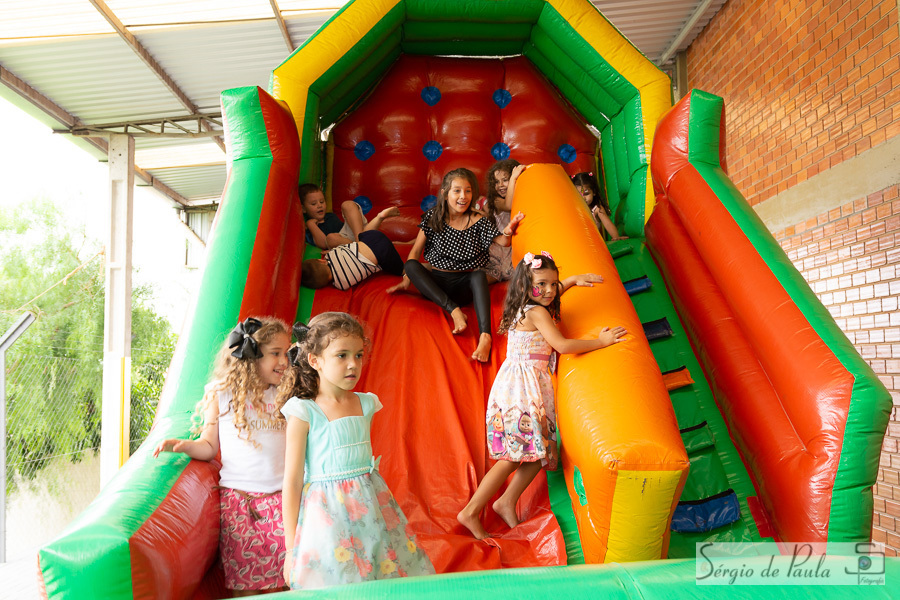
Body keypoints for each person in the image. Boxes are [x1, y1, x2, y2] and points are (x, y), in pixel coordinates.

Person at [457, 252, 627, 539]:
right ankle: (471, 511)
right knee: (513, 456)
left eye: (553, 284)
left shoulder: (529, 303)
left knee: (540, 451)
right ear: (527, 286)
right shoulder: (536, 312)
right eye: (542, 285)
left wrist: (571, 281)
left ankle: (506, 501)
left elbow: (549, 289)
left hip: (525, 385)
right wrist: (601, 341)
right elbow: (560, 344)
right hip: (521, 389)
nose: (549, 291)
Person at [279, 312, 435, 589]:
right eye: (342, 355)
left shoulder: (366, 404)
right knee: (340, 581)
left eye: (359, 355)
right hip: (327, 517)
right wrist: (291, 549)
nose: (353, 364)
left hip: (370, 511)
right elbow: (291, 482)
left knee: (381, 574)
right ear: (315, 361)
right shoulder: (304, 412)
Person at [154, 317, 292, 596]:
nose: (285, 361)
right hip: (240, 505)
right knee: (244, 585)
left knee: (283, 583)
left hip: (282, 501)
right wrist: (183, 445)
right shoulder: (223, 395)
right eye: (275, 353)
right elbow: (208, 445)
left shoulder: (287, 395)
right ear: (252, 356)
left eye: (286, 352)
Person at [386, 168, 524, 362]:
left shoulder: (478, 220)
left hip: (463, 285)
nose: (463, 196)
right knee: (410, 265)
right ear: (445, 193)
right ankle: (454, 310)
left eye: (468, 191)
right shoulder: (433, 217)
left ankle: (486, 336)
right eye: (457, 190)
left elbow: (503, 242)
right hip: (437, 285)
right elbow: (416, 252)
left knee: (478, 275)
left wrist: (509, 230)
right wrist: (407, 279)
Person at [300, 183, 400, 250]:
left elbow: (351, 222)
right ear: (303, 209)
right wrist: (311, 225)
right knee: (330, 238)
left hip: (356, 231)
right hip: (343, 242)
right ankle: (361, 243)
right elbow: (324, 244)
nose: (319, 205)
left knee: (347, 204)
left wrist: (357, 236)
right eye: (313, 204)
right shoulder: (310, 228)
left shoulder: (329, 216)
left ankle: (359, 240)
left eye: (322, 201)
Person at [301, 229, 404, 291]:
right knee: (359, 238)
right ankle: (379, 217)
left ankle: (418, 266)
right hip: (372, 237)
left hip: (382, 253)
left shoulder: (341, 284)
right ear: (322, 261)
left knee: (401, 271)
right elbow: (342, 249)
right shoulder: (332, 255)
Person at [479, 159, 522, 283]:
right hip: (497, 250)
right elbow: (509, 206)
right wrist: (513, 177)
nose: (500, 185)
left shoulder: (521, 199)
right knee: (482, 278)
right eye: (496, 182)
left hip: (511, 252)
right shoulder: (496, 201)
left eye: (505, 180)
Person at [571, 172, 627, 241]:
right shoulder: (573, 210)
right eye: (578, 195)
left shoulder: (597, 209)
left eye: (586, 194)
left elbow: (608, 224)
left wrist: (616, 236)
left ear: (594, 192)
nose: (583, 198)